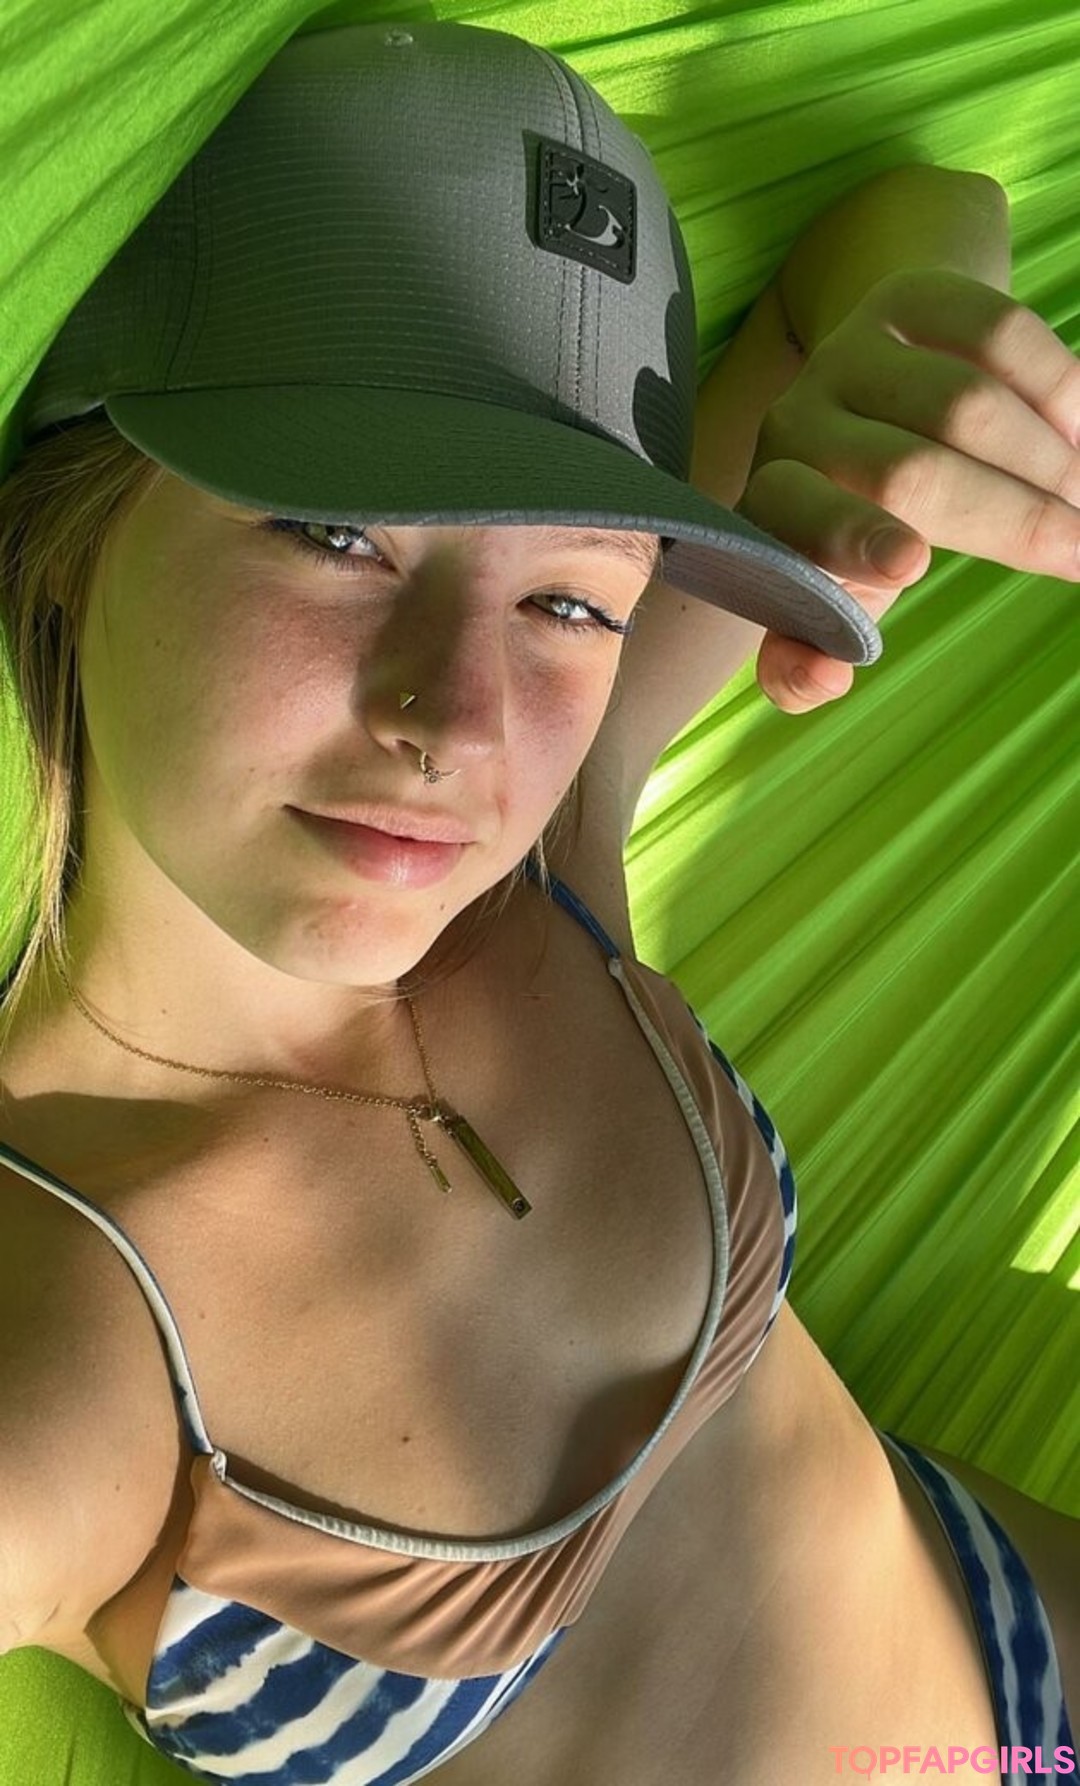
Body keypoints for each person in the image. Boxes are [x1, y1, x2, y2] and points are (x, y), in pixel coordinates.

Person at [0, 20, 1076, 1786]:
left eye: (571, 600)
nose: (456, 718)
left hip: (1017, 1647)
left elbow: (921, 210)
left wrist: (900, 355)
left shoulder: (536, 866)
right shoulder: (70, 1313)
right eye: (340, 533)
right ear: (69, 525)